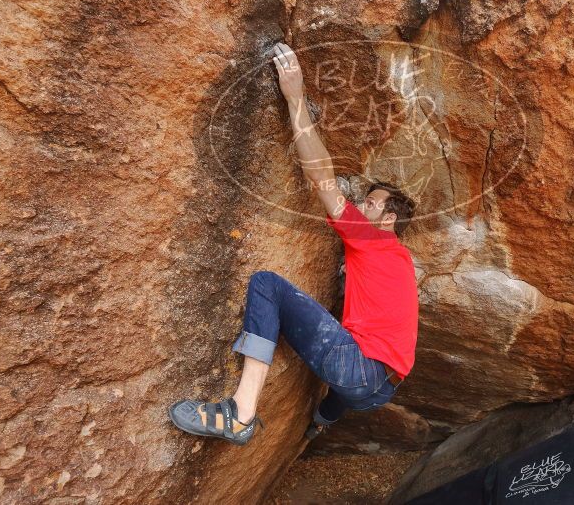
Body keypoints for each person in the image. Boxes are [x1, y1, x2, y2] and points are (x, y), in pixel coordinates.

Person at [168, 43, 419, 446]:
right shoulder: (402, 261)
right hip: (380, 391)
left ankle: (240, 414)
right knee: (348, 375)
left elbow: (322, 176)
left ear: (389, 220)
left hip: (359, 371)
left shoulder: (373, 238)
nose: (359, 206)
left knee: (267, 284)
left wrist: (296, 96)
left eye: (370, 204)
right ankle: (320, 422)